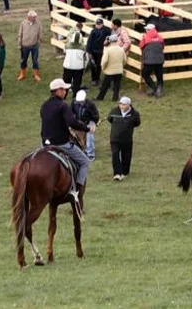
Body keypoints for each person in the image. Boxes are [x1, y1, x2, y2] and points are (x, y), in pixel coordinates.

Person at [39, 79, 92, 207]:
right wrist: (87, 128)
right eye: (64, 90)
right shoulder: (63, 105)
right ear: (58, 91)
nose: (66, 92)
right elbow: (72, 122)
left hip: (45, 144)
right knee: (85, 161)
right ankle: (77, 190)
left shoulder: (44, 106)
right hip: (61, 143)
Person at [107, 95, 141, 180]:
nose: (121, 106)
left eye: (124, 104)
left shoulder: (134, 114)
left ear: (129, 105)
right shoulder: (114, 111)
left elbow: (137, 123)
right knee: (115, 154)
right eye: (120, 104)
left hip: (127, 139)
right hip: (114, 138)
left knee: (126, 155)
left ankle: (125, 171)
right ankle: (117, 173)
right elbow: (109, 119)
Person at [71, 90, 100, 161]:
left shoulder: (90, 104)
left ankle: (90, 154)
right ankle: (77, 150)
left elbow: (95, 115)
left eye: (81, 101)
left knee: (90, 136)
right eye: (78, 101)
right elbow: (71, 112)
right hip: (77, 122)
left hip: (88, 123)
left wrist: (92, 123)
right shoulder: (74, 103)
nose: (79, 102)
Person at [96, 34, 126, 102]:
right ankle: (115, 98)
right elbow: (124, 60)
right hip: (119, 70)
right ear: (116, 40)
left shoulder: (108, 50)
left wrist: (103, 68)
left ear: (110, 41)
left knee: (105, 85)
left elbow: (104, 61)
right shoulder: (121, 49)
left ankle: (100, 97)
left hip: (110, 71)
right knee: (117, 85)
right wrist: (121, 66)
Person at [139, 24, 165, 97]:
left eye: (146, 29)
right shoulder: (160, 37)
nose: (146, 30)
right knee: (159, 76)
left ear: (148, 30)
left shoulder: (145, 37)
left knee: (145, 74)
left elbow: (141, 46)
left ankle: (154, 88)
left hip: (149, 60)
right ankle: (159, 90)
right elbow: (162, 47)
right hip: (159, 60)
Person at [18, 10, 42, 82]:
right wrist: (19, 45)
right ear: (29, 17)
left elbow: (40, 34)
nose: (35, 18)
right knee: (23, 60)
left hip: (34, 45)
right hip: (24, 46)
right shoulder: (23, 23)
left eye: (35, 16)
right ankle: (22, 74)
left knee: (35, 60)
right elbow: (20, 34)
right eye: (33, 17)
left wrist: (38, 42)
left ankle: (36, 74)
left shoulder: (38, 24)